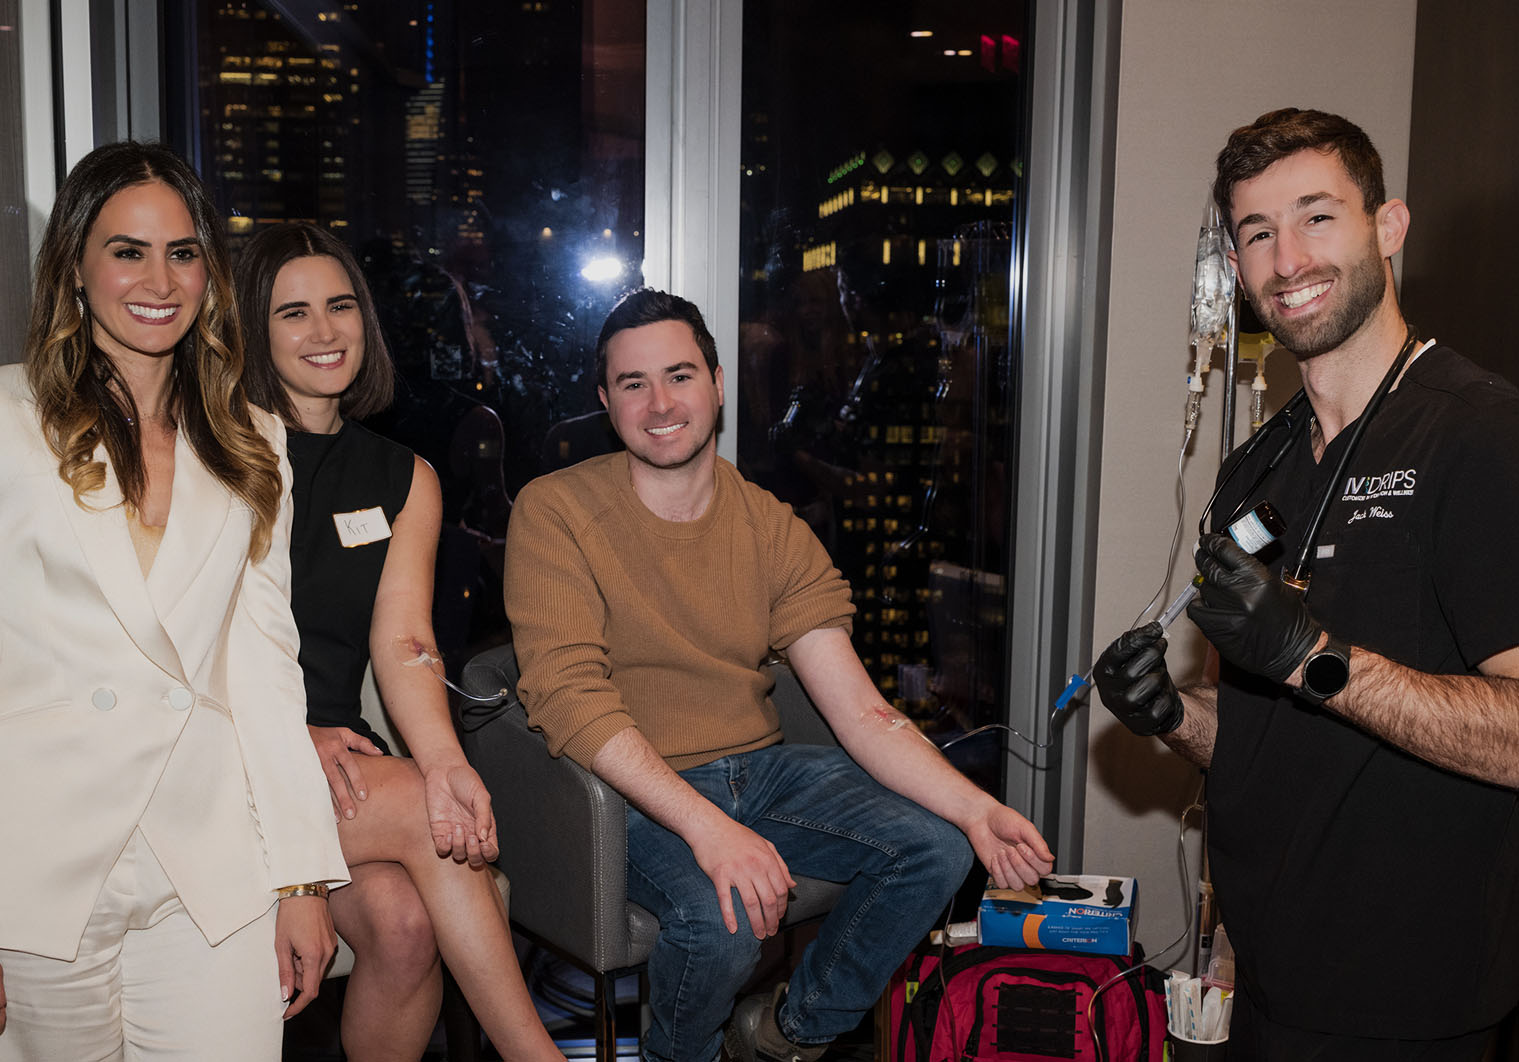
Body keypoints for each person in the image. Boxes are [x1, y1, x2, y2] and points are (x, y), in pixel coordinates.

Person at [503, 288, 1055, 1062]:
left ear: (718, 383)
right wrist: (710, 831)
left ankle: (783, 1036)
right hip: (622, 789)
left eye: (680, 375)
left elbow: (861, 712)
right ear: (605, 400)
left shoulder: (771, 525)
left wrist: (973, 810)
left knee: (936, 846)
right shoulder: (554, 510)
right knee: (720, 915)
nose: (660, 403)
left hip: (759, 771)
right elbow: (570, 697)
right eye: (633, 384)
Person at [1094, 108, 1519, 1061]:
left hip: (1410, 996)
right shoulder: (1255, 469)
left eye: (1316, 217)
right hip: (1270, 985)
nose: (1287, 260)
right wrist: (1173, 716)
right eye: (1256, 232)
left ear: (1389, 226)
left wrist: (1312, 658)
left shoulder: (1478, 437)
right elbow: (1260, 742)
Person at [0, 142, 349, 1060]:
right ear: (75, 267)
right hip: (36, 867)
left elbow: (268, 672)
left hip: (209, 864)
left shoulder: (252, 439)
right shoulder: (5, 423)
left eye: (184, 251)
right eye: (128, 250)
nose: (160, 278)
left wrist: (303, 881)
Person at [234, 222, 562, 1062]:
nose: (324, 331)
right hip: (234, 757)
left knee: (406, 924)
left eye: (339, 306)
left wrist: (448, 761)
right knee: (426, 809)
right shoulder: (216, 455)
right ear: (252, 331)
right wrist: (289, 737)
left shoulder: (402, 476)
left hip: (343, 766)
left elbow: (407, 641)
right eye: (293, 312)